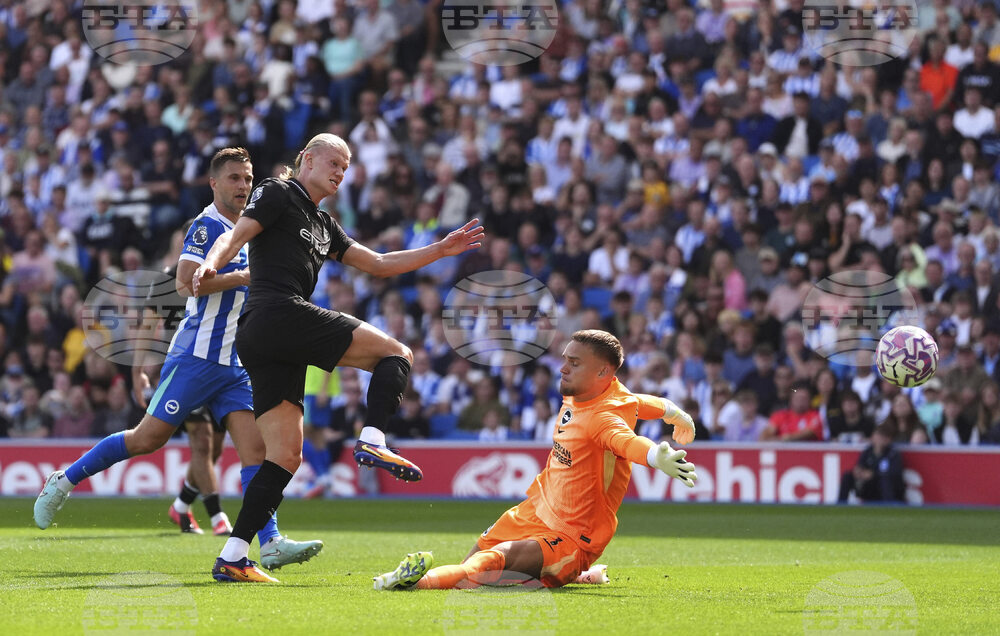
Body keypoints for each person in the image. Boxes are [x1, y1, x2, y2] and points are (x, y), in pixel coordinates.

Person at [192, 133, 483, 583]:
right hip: (276, 314)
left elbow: (380, 263)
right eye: (333, 162)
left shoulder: (324, 224)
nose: (340, 173)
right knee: (398, 353)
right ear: (306, 159)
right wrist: (213, 262)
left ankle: (232, 556)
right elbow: (238, 235)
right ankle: (372, 438)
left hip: (263, 339)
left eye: (346, 168)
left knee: (285, 456)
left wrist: (439, 250)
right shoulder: (278, 191)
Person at [33, 148, 324, 571]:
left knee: (256, 454)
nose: (243, 186)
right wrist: (244, 276)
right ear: (214, 183)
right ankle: (65, 479)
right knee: (147, 439)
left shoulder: (252, 227)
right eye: (234, 179)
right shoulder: (208, 226)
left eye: (247, 178)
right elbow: (187, 285)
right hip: (196, 357)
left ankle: (271, 540)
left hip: (237, 364)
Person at [371, 330, 698, 590]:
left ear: (602, 371)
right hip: (536, 508)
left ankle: (413, 583)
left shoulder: (604, 417)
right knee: (474, 567)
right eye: (565, 359)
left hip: (573, 535)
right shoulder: (588, 390)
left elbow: (626, 442)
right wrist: (676, 413)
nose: (563, 368)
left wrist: (655, 455)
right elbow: (641, 401)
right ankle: (570, 577)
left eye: (574, 362)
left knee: (489, 563)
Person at [837, 423, 905, 504]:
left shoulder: (893, 454)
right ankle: (840, 503)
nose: (879, 439)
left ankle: (889, 505)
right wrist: (859, 472)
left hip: (884, 487)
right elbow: (860, 465)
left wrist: (874, 474)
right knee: (847, 476)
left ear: (889, 439)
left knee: (885, 480)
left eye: (883, 437)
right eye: (878, 435)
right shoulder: (867, 451)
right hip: (869, 485)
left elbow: (894, 474)